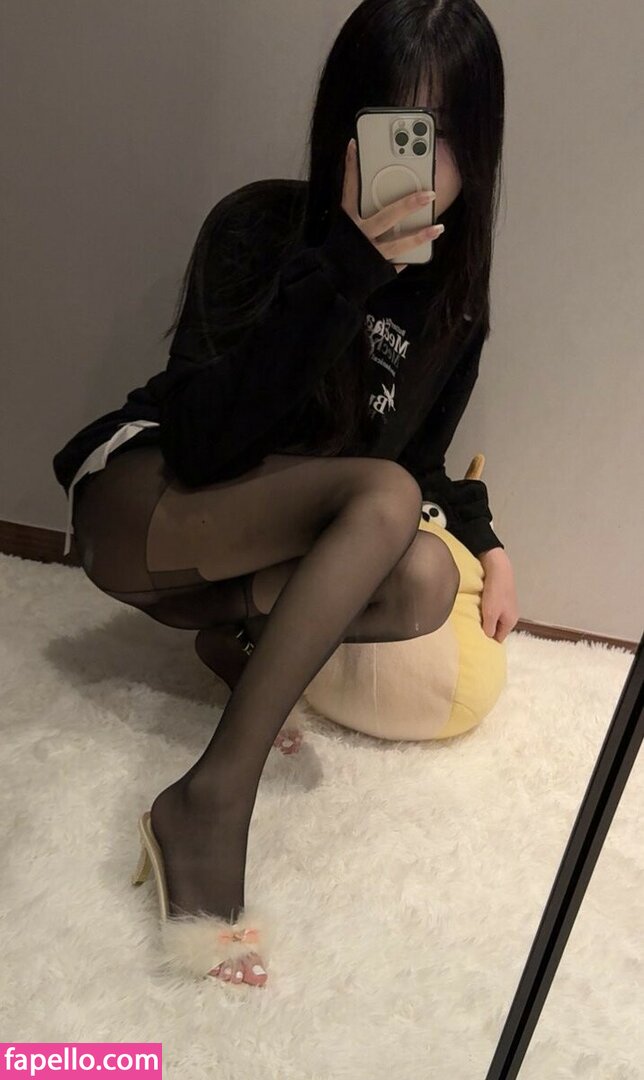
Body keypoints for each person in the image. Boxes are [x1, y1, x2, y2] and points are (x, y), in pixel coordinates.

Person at [52, 0, 518, 988]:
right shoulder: (259, 225)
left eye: (443, 134)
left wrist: (488, 541)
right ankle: (210, 801)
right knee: (385, 500)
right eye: (395, 127)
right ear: (344, 125)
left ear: (479, 147)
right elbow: (204, 441)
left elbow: (420, 465)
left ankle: (233, 641)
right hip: (146, 505)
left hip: (236, 564)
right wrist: (344, 272)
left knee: (426, 577)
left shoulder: (453, 309)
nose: (417, 163)